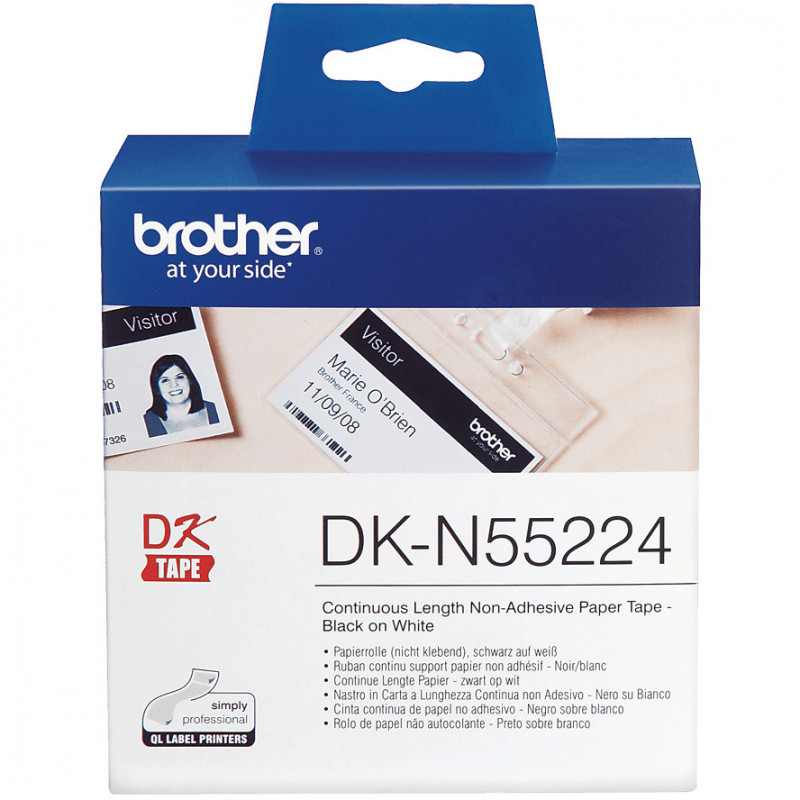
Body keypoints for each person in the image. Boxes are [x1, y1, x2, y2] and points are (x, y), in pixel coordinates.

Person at [143, 354, 219, 437]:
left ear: (190, 380)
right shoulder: (147, 421)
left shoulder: (216, 410)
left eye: (179, 377)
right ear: (156, 387)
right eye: (165, 380)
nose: (174, 385)